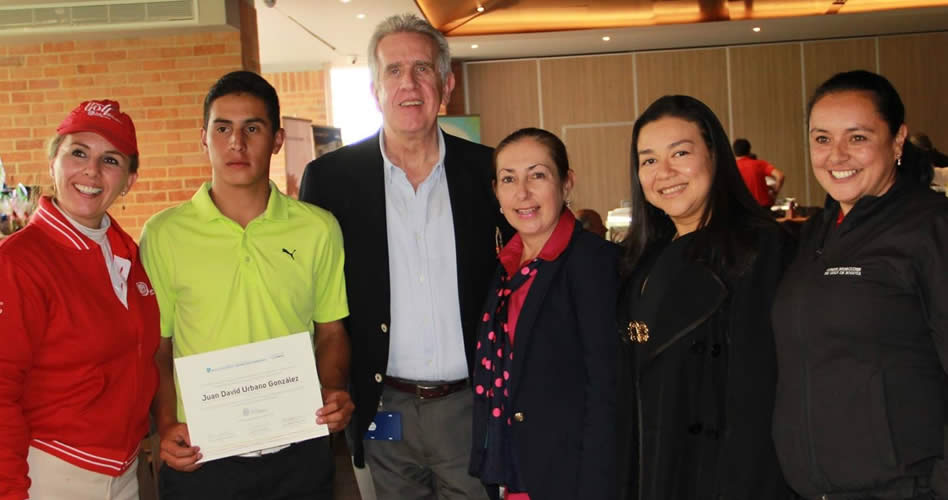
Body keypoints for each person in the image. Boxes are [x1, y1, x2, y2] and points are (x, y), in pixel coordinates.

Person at [298, 13, 504, 500]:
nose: (408, 84)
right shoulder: (329, 180)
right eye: (393, 70)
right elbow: (310, 292)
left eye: (423, 68)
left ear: (446, 83)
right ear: (374, 89)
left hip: (470, 407)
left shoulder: (490, 173)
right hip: (381, 405)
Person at [140, 71, 352, 499]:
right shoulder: (163, 233)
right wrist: (165, 426)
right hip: (201, 454)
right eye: (223, 128)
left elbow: (331, 332)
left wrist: (333, 389)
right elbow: (159, 347)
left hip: (298, 451)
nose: (236, 143)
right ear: (204, 137)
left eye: (252, 128)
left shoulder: (318, 228)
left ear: (276, 139)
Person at [772, 70, 947, 500]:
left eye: (857, 137)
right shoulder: (817, 231)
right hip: (815, 488)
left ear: (898, 139)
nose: (836, 155)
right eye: (822, 138)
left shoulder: (931, 226)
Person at [616, 95, 790, 499]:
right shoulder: (641, 259)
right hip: (654, 467)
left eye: (680, 153)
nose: (665, 172)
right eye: (648, 160)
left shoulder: (758, 251)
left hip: (719, 476)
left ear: (715, 155)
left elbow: (759, 395)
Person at [0, 100, 159, 499]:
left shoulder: (127, 255)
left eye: (110, 159)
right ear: (54, 160)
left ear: (130, 180)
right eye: (78, 153)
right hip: (50, 474)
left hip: (124, 474)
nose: (91, 170)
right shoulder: (18, 262)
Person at [468, 128, 618, 500]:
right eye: (508, 179)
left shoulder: (593, 263)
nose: (522, 193)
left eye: (537, 175)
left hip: (570, 477)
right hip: (516, 470)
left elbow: (608, 391)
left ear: (567, 184)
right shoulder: (506, 267)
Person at [733, 138, 785, 208]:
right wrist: (775, 192)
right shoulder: (760, 164)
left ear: (734, 152)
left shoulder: (732, 167)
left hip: (742, 209)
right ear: (749, 150)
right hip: (763, 208)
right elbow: (780, 176)